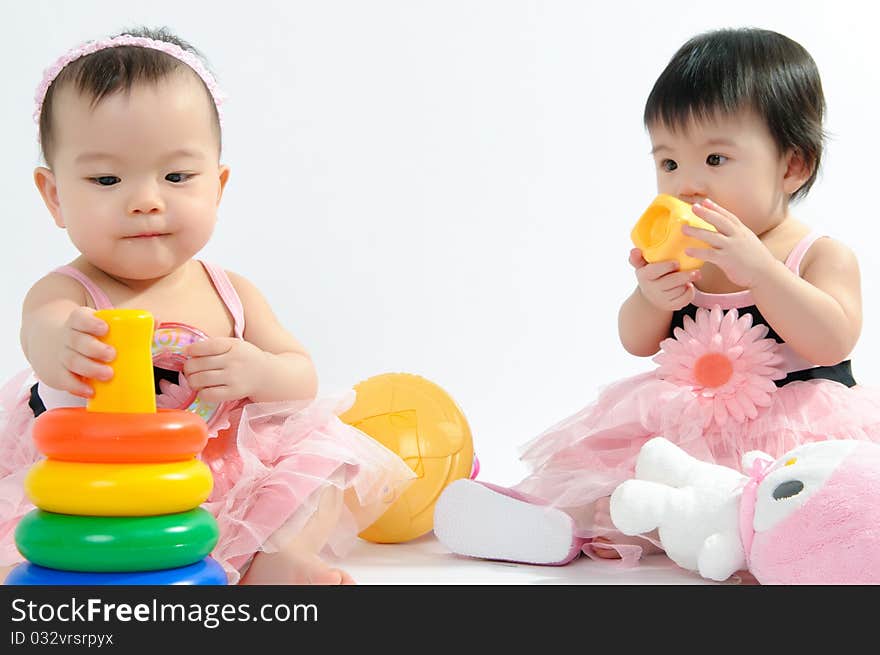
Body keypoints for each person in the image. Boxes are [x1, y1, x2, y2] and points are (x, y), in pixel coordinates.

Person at [434, 27, 880, 570]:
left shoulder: (816, 255)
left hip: (790, 435)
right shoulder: (681, 257)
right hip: (684, 433)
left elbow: (832, 339)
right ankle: (550, 526)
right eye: (669, 164)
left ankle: (748, 541)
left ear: (792, 165)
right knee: (625, 480)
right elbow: (636, 340)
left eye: (715, 160)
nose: (686, 185)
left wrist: (761, 272)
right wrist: (652, 295)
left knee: (814, 495)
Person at [0, 27, 414, 585]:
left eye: (176, 176)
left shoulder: (230, 291)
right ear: (54, 196)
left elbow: (301, 377)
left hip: (223, 468)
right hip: (98, 479)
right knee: (43, 524)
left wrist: (257, 368)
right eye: (106, 178)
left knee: (323, 463)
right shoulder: (67, 293)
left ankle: (276, 558)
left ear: (216, 186)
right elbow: (41, 337)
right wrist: (63, 343)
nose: (146, 200)